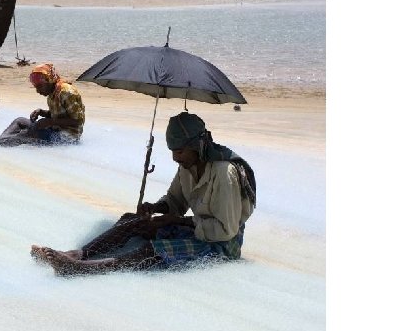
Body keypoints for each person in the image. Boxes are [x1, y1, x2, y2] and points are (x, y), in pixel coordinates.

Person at [31, 112, 257, 275]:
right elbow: (175, 200)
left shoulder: (224, 172)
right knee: (131, 220)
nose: (175, 158)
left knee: (153, 250)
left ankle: (82, 269)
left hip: (221, 245)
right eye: (172, 152)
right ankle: (78, 254)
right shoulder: (188, 165)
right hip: (197, 229)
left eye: (179, 152)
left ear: (197, 146)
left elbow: (224, 231)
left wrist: (175, 221)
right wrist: (156, 208)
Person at [0, 63, 84, 146]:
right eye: (36, 87)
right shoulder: (52, 92)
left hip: (68, 137)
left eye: (40, 87)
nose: (38, 91)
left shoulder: (67, 92)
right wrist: (42, 112)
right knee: (19, 120)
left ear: (49, 80)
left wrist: (49, 122)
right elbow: (60, 114)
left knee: (25, 134)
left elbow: (78, 121)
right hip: (54, 128)